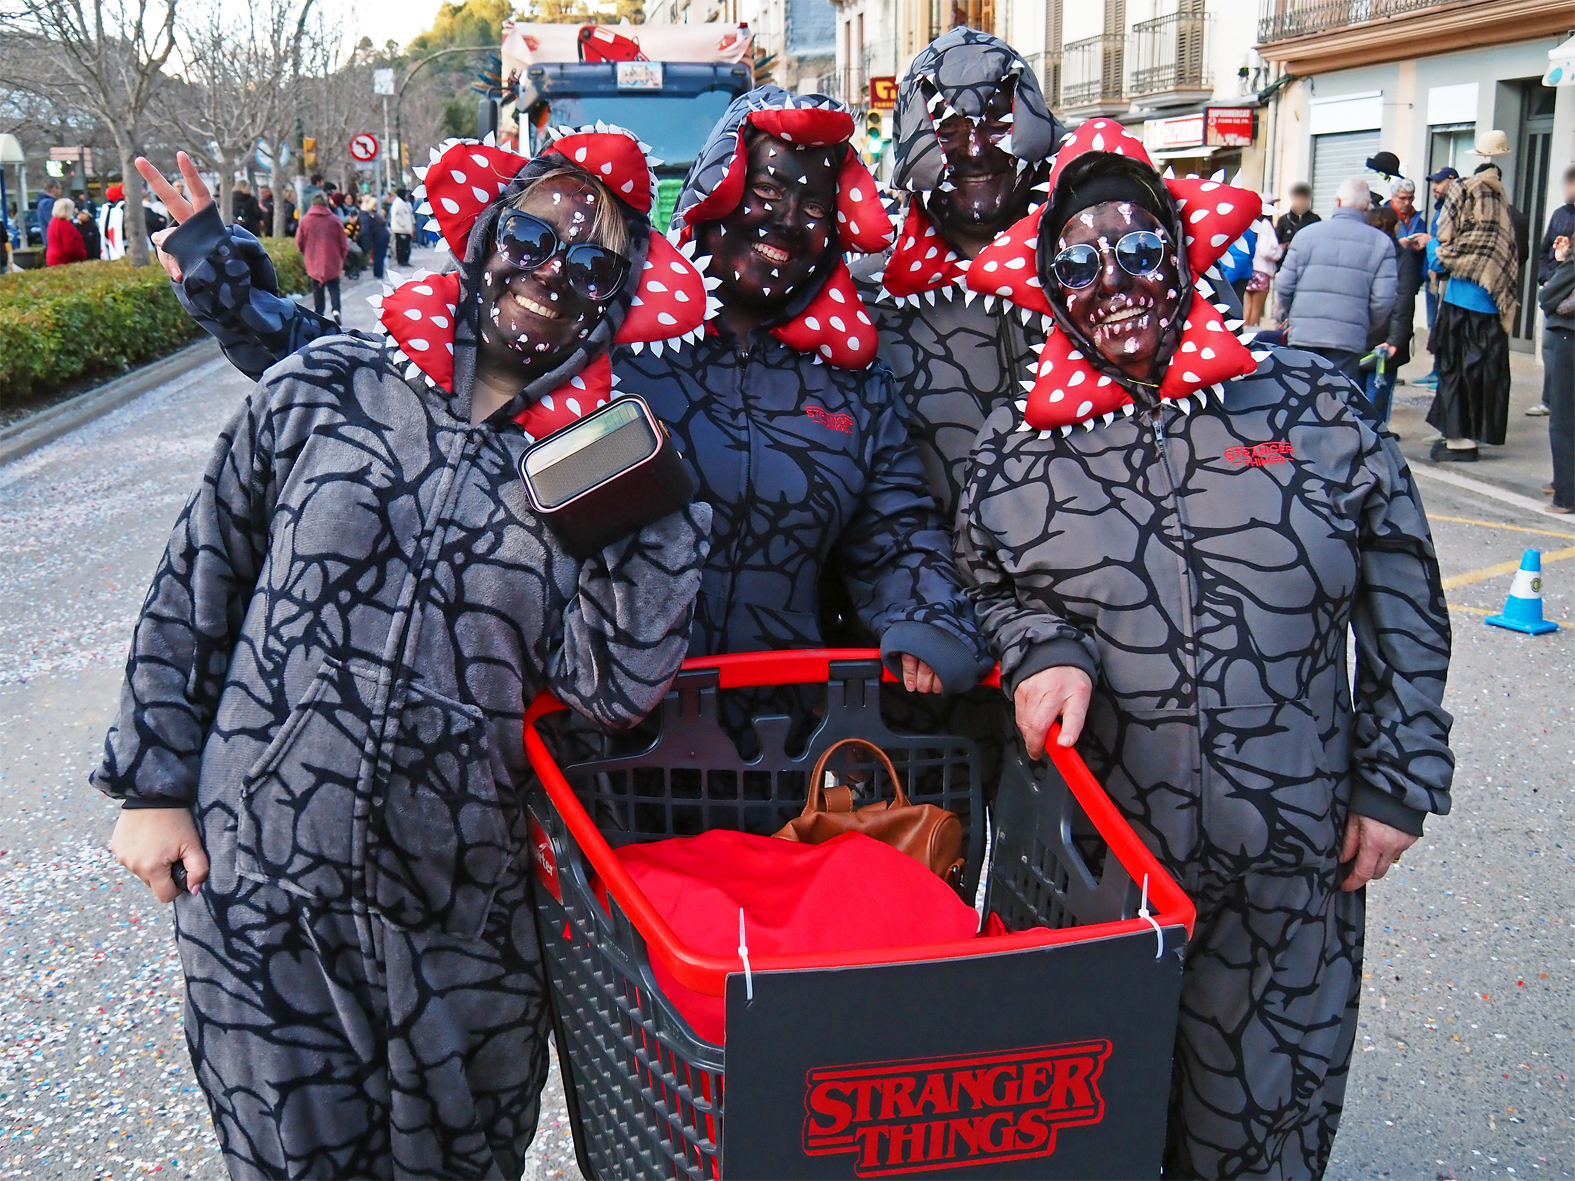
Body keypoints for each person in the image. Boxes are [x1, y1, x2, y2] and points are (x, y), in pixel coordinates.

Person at [112, 134, 713, 1178]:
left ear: (617, 302)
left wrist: (658, 521)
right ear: (484, 238)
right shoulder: (329, 384)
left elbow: (612, 687)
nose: (549, 270)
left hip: (462, 921)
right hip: (263, 883)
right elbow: (198, 576)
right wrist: (151, 781)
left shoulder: (579, 469)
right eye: (532, 233)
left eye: (591, 262)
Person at [954, 117, 1454, 1178]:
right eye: (1080, 262)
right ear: (1049, 285)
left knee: (1262, 1131)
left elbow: (1404, 591)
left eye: (1138, 250)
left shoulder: (1315, 404)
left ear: (1183, 253)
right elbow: (986, 582)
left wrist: (1401, 775)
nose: (1115, 281)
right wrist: (1040, 643)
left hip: (1293, 861)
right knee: (1089, 1131)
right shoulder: (1013, 451)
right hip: (1100, 872)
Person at [144, 97, 990, 716]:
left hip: (788, 732)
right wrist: (235, 298)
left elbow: (895, 530)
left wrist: (923, 617)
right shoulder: (606, 330)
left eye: (814, 205)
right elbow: (415, 389)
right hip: (603, 749)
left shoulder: (852, 382)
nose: (788, 223)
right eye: (767, 196)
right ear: (716, 194)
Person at [1425, 162, 1520, 462]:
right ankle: (1470, 436)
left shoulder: (1464, 226)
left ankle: (1460, 441)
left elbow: (1440, 261)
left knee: (1454, 374)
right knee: (1482, 378)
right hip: (1492, 310)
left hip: (1461, 309)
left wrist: (1431, 246)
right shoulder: (1507, 219)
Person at [1274, 176, 1398, 391]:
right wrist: (1363, 325)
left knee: (1300, 397)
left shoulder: (1305, 236)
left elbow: (1284, 285)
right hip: (1348, 338)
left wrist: (1287, 316)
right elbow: (1384, 300)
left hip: (1304, 332)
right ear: (1368, 206)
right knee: (1335, 401)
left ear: (1338, 202)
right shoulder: (1381, 243)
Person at [1416, 165, 1461, 388]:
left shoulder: (1455, 209)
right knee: (1435, 327)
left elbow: (1448, 244)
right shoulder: (1439, 209)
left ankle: (1444, 374)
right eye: (1433, 182)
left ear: (1452, 182)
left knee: (1445, 328)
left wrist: (1430, 241)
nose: (1434, 187)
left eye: (1439, 182)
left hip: (1446, 277)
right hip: (1432, 278)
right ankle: (1436, 370)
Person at [1539, 232, 1574, 513]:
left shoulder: (1571, 267)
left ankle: (1565, 494)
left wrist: (1563, 264)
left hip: (1569, 340)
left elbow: (1549, 297)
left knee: (1563, 420)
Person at [294, 191, 348, 324]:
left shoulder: (306, 220)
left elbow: (299, 241)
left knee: (317, 288)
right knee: (334, 286)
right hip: (332, 258)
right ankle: (336, 310)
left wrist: (305, 253)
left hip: (313, 259)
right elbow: (343, 242)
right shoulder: (334, 220)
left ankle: (319, 313)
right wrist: (342, 256)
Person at [1242, 210, 1282, 326]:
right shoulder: (1266, 225)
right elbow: (1266, 250)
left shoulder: (1251, 224)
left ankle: (1243, 336)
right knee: (1257, 310)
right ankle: (1253, 337)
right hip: (1262, 272)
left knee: (1248, 308)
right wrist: (1280, 251)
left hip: (1250, 271)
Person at [44, 197, 87, 266]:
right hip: (64, 260)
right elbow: (72, 247)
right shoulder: (66, 226)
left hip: (52, 258)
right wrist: (83, 254)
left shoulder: (53, 222)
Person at [1274, 181, 1319, 246]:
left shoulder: (1315, 220)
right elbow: (1277, 243)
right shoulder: (1284, 220)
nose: (1301, 202)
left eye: (1304, 198)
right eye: (1298, 198)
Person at [358, 195, 390, 279]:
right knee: (380, 255)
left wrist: (357, 236)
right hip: (382, 235)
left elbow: (365, 229)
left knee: (378, 255)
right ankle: (378, 274)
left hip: (379, 237)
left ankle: (378, 274)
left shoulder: (365, 216)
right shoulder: (372, 215)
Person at [389, 186, 415, 265]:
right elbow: (396, 216)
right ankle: (401, 260)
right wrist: (404, 224)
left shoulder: (406, 203)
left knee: (406, 246)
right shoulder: (397, 203)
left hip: (407, 229)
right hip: (400, 229)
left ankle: (406, 260)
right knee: (401, 246)